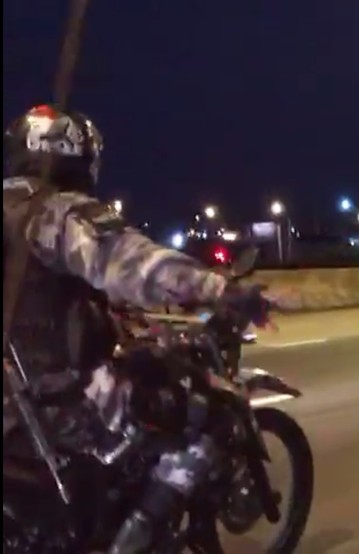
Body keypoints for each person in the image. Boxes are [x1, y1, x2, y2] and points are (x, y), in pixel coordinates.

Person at [2, 104, 272, 553]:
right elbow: (134, 264)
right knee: (198, 414)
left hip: (15, 398)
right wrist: (218, 290)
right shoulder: (53, 213)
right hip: (53, 402)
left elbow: (65, 298)